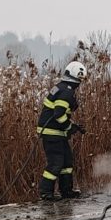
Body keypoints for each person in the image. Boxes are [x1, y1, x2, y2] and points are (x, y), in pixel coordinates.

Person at [36, 60, 87, 202]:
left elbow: (58, 113)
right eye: (81, 80)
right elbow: (59, 114)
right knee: (56, 162)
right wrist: (69, 127)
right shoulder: (67, 91)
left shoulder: (61, 87)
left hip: (55, 131)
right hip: (52, 133)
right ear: (78, 77)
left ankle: (66, 191)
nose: (80, 83)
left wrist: (73, 126)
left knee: (67, 161)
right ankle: (45, 193)